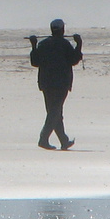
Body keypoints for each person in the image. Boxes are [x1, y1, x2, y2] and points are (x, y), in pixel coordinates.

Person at [29, 19, 83, 150]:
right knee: (55, 112)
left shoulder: (44, 44)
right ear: (62, 29)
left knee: (54, 112)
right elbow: (74, 59)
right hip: (61, 83)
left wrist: (34, 46)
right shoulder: (64, 44)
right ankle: (43, 139)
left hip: (46, 83)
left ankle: (64, 140)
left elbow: (35, 62)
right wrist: (79, 45)